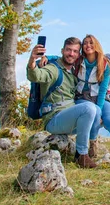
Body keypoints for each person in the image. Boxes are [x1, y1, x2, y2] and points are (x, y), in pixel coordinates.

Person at [44, 34, 110, 172]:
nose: (88, 45)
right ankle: (92, 150)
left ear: (97, 45)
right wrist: (47, 57)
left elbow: (102, 91)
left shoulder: (105, 64)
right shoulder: (79, 61)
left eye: (91, 43)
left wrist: (100, 110)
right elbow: (60, 58)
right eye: (85, 43)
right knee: (94, 115)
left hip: (100, 98)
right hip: (82, 98)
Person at [27, 36, 100, 169]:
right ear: (62, 50)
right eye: (68, 50)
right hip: (54, 119)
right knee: (89, 108)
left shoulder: (75, 71)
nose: (71, 54)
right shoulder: (53, 69)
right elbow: (36, 75)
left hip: (69, 119)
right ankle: (81, 155)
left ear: (79, 54)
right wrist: (33, 59)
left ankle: (92, 151)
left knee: (98, 112)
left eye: (75, 51)